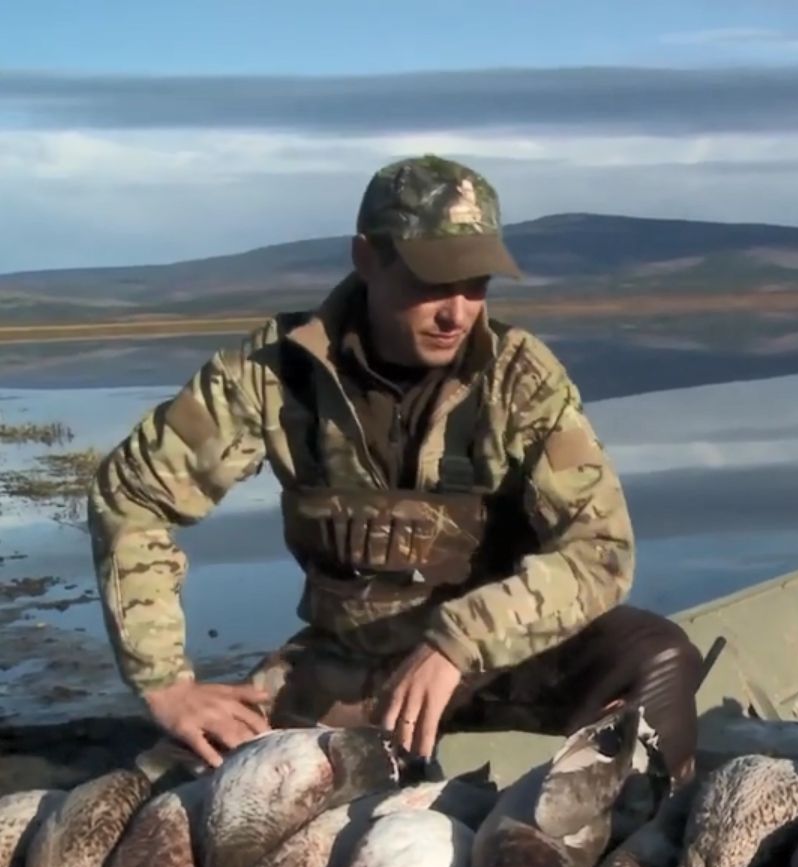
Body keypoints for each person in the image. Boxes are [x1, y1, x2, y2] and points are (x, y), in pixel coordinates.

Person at [86, 154, 705, 786]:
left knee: (658, 657)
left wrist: (458, 642)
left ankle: (626, 823)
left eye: (476, 283)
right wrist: (165, 683)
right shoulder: (271, 374)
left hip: (506, 657)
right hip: (353, 668)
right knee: (191, 781)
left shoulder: (521, 378)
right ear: (367, 257)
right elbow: (131, 497)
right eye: (433, 282)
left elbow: (601, 551)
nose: (457, 312)